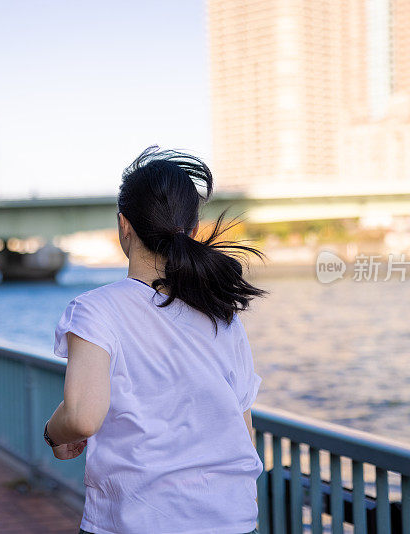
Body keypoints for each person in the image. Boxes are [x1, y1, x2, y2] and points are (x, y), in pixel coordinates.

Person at [44, 146, 268, 534]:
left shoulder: (97, 310)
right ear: (193, 230)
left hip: (138, 521)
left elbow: (81, 417)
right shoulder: (221, 313)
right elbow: (242, 428)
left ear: (124, 225)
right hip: (231, 519)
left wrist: (53, 433)